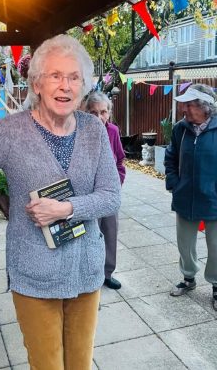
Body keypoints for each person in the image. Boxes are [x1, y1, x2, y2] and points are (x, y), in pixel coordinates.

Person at [0, 35, 121, 368]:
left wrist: (67, 209)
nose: (65, 85)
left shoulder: (93, 131)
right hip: (35, 275)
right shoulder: (10, 132)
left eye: (74, 77)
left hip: (86, 272)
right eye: (55, 75)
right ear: (37, 83)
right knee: (47, 364)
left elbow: (111, 197)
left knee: (80, 362)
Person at [164, 84, 217, 311]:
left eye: (189, 105)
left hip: (215, 199)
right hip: (185, 196)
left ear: (205, 107)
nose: (184, 110)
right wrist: (173, 182)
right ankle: (188, 278)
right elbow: (171, 156)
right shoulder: (181, 129)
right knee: (185, 244)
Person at [84, 91, 125, 290]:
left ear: (109, 112)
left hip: (109, 195)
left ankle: (107, 273)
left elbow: (120, 161)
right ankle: (90, 274)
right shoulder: (80, 131)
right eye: (93, 113)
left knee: (109, 232)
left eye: (103, 112)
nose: (99, 117)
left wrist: (117, 185)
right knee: (89, 235)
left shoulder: (113, 131)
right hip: (88, 196)